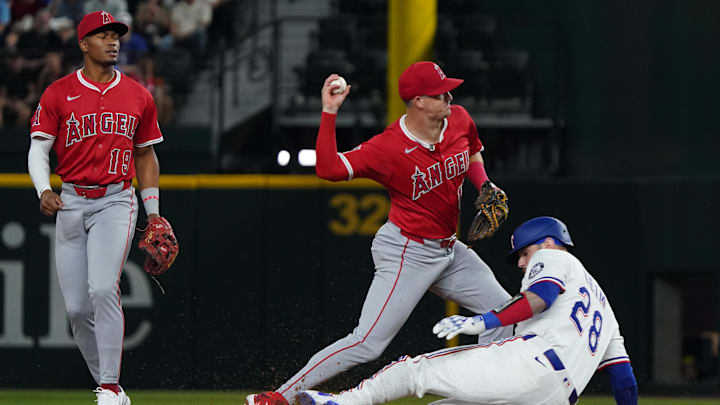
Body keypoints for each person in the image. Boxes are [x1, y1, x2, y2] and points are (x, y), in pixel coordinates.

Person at [247, 61, 514, 405]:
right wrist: (329, 112)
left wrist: (484, 184)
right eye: (439, 92)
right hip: (408, 251)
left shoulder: (459, 118)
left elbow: (473, 151)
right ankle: (278, 397)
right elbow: (328, 169)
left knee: (505, 314)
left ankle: (480, 396)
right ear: (417, 100)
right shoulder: (388, 147)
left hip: (450, 251)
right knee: (367, 343)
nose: (449, 95)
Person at [297, 216, 639, 405]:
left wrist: (484, 320)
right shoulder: (605, 310)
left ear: (548, 242)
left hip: (530, 364)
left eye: (524, 253)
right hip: (559, 398)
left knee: (416, 370)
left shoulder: (554, 256)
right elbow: (624, 380)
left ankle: (343, 404)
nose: (521, 262)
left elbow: (541, 297)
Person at [27, 10, 166, 405]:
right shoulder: (58, 92)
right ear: (83, 44)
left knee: (103, 287)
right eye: (102, 35)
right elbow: (39, 149)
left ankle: (107, 386)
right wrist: (42, 190)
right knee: (75, 310)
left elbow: (146, 156)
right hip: (71, 200)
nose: (113, 41)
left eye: (116, 35)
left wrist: (152, 212)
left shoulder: (138, 94)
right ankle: (114, 391)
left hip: (116, 200)